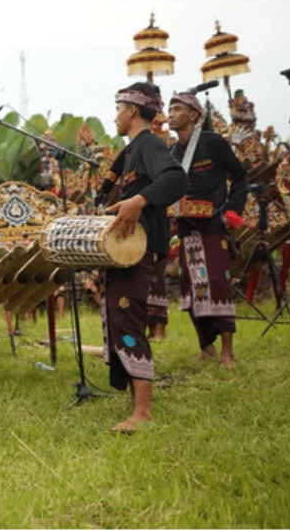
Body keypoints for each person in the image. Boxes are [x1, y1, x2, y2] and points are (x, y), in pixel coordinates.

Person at [103, 82, 187, 434]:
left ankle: (142, 412)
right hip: (125, 250)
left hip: (140, 249)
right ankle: (136, 402)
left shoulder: (150, 144)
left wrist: (138, 201)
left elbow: (175, 179)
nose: (116, 116)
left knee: (129, 321)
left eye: (119, 108)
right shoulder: (131, 151)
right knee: (121, 319)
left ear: (133, 110)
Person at [167, 91, 250, 369]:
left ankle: (228, 352)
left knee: (217, 286)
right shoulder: (172, 152)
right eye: (170, 108)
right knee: (191, 291)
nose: (171, 113)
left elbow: (240, 176)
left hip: (213, 226)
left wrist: (232, 210)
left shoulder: (213, 143)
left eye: (178, 108)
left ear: (193, 114)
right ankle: (207, 347)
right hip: (186, 230)